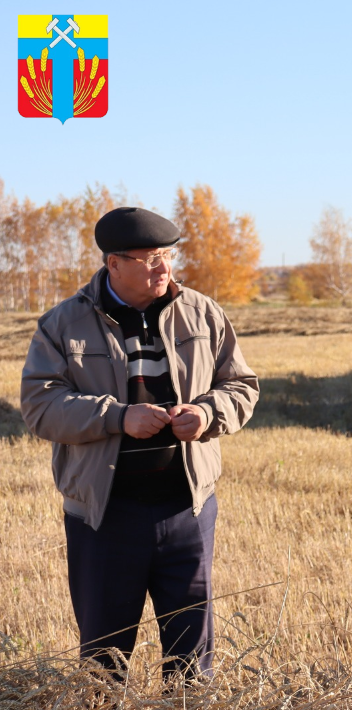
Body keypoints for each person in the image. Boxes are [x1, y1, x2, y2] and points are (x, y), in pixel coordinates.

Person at [21, 207, 259, 681]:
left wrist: (208, 413)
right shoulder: (62, 324)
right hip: (104, 515)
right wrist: (117, 417)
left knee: (193, 666)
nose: (163, 268)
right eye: (149, 259)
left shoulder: (202, 312)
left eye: (167, 256)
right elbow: (40, 406)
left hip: (187, 511)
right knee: (103, 667)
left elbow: (243, 386)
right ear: (114, 264)